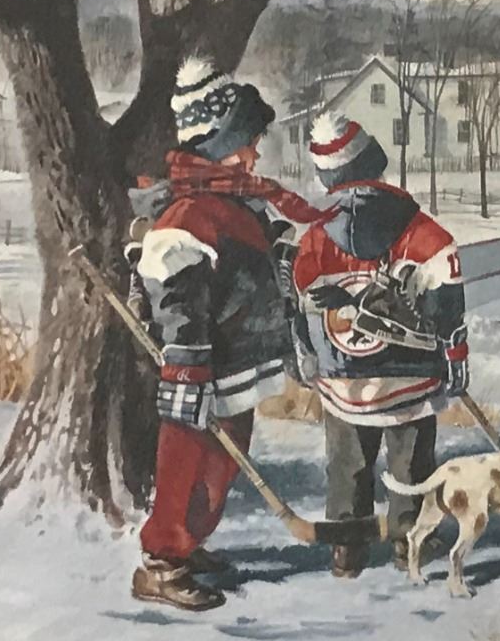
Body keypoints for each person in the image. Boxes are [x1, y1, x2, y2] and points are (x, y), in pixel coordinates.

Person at [129, 56, 333, 612]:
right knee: (186, 463)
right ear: (217, 142)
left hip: (239, 364)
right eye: (247, 142)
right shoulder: (188, 216)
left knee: (220, 469)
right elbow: (177, 297)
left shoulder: (233, 203)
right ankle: (161, 560)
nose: (254, 154)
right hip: (203, 369)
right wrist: (187, 369)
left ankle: (189, 543)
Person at [291, 110, 468, 579]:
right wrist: (454, 353)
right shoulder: (420, 229)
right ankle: (410, 543)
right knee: (411, 464)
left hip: (342, 376)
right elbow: (446, 296)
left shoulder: (314, 236)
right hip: (410, 375)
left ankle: (346, 549)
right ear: (374, 162)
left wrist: (308, 354)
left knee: (347, 464)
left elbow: (302, 301)